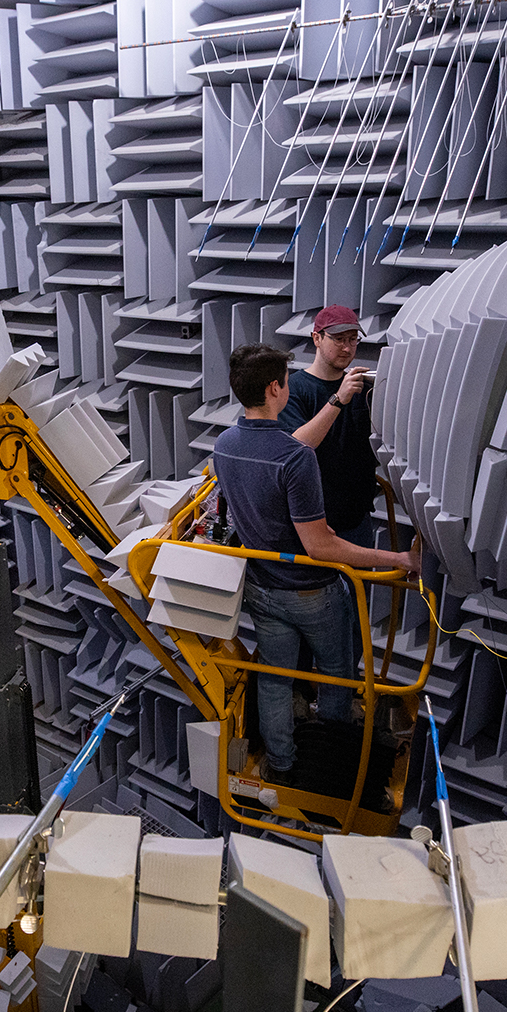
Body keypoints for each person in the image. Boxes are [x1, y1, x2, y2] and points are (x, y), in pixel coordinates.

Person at [212, 344, 419, 786]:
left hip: (262, 588)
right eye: (286, 379)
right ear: (275, 388)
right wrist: (397, 559)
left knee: (274, 678)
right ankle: (336, 763)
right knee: (337, 675)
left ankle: (282, 765)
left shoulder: (226, 444)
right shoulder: (295, 459)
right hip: (311, 592)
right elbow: (322, 546)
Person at [279, 305, 376, 547]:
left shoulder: (362, 388)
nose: (346, 347)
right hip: (314, 521)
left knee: (357, 586)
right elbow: (298, 446)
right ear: (317, 338)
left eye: (353, 340)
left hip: (357, 519)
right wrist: (338, 399)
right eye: (339, 339)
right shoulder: (294, 388)